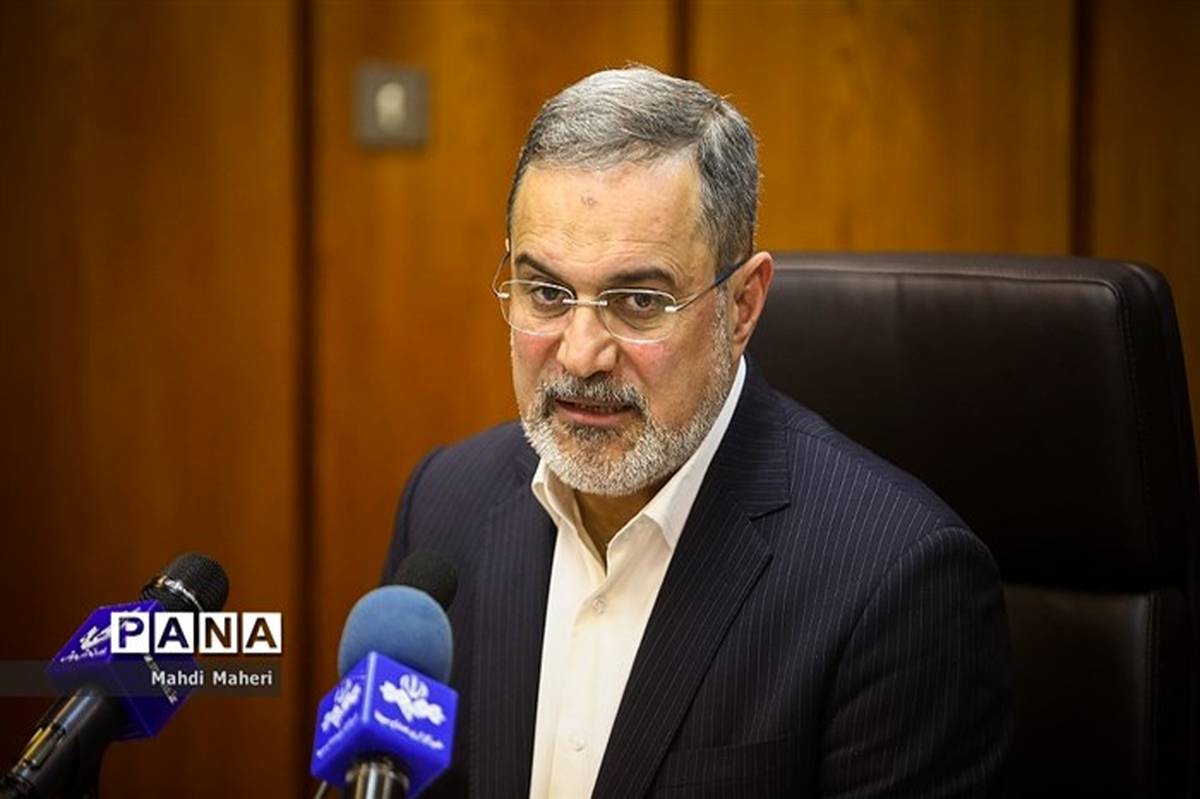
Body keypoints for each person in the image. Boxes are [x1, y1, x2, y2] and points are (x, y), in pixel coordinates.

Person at [382, 65, 1013, 798]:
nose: (581, 355)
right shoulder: (445, 506)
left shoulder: (898, 582)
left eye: (639, 301)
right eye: (547, 292)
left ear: (742, 306)